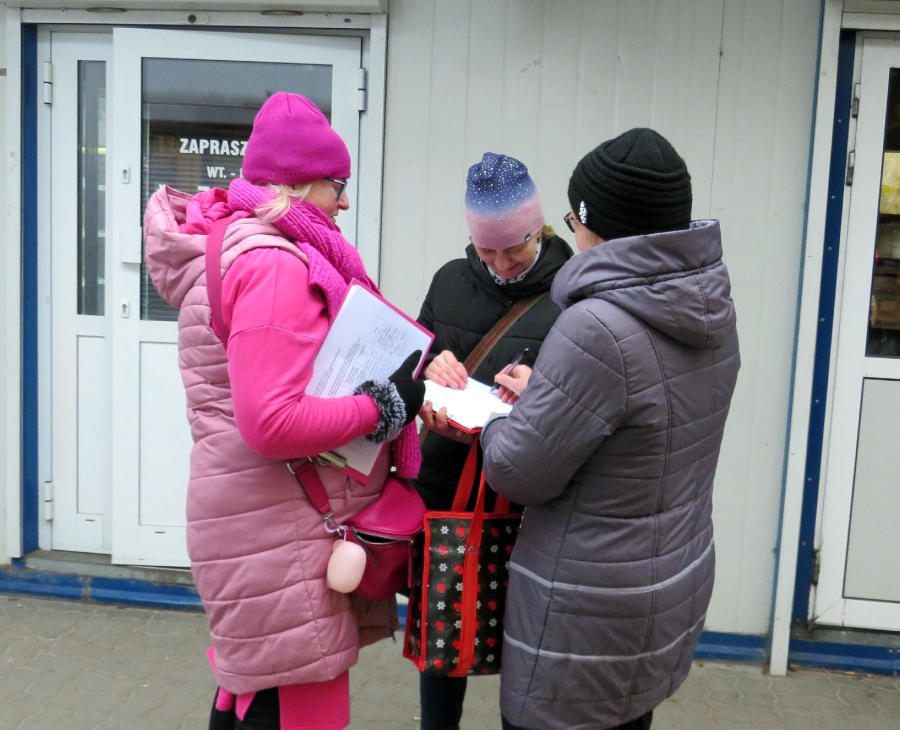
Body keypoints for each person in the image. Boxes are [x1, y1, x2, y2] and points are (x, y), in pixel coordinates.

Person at [143, 93, 426, 730]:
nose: (344, 202)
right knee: (296, 703)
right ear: (296, 184)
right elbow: (270, 422)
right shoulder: (274, 264)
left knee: (253, 688)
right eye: (337, 185)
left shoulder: (235, 243)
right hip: (278, 523)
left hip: (257, 514)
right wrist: (378, 406)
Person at [481, 128, 741, 730]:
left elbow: (518, 471)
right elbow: (648, 421)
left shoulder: (596, 325)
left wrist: (498, 418)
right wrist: (552, 397)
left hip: (585, 609)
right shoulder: (708, 305)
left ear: (594, 223)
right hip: (667, 580)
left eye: (573, 219)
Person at [414, 152, 573, 730]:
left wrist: (543, 388)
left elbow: (590, 391)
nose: (502, 265)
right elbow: (413, 361)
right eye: (487, 251)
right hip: (449, 489)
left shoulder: (575, 291)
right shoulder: (449, 281)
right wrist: (430, 368)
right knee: (445, 632)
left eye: (515, 249)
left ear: (540, 228)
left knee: (529, 642)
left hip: (529, 500)